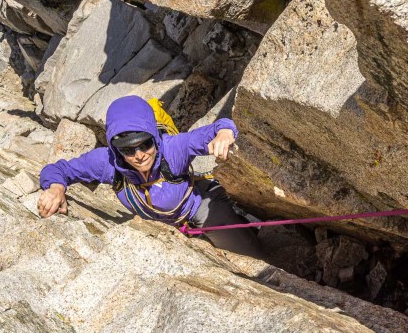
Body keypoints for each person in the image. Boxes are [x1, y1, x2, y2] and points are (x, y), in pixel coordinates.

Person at [37, 95, 262, 258]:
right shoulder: (106, 162)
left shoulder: (172, 149)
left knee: (248, 256)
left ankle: (246, 228)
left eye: (145, 144)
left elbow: (218, 128)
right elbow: (58, 170)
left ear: (154, 137)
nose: (139, 155)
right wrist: (56, 188)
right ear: (116, 149)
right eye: (128, 149)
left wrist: (224, 134)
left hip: (199, 205)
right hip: (165, 226)